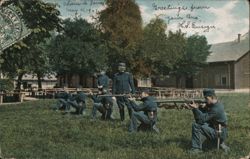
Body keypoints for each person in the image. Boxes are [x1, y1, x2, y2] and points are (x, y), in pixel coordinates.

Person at [188, 88, 230, 153]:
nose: (205, 100)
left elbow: (200, 120)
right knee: (202, 124)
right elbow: (206, 116)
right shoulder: (217, 104)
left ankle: (196, 149)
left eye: (206, 99)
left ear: (212, 97)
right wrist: (203, 108)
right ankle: (220, 143)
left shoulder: (215, 109)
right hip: (220, 130)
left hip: (218, 133)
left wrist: (195, 108)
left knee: (196, 125)